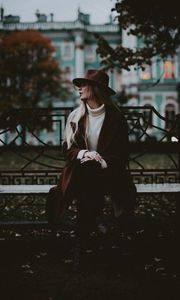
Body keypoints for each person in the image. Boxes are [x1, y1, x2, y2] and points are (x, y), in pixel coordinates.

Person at [49, 69, 136, 267]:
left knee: (90, 175)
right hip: (82, 172)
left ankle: (83, 239)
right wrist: (84, 154)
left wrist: (101, 161)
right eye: (79, 84)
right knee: (87, 168)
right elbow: (68, 150)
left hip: (110, 174)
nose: (79, 88)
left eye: (84, 84)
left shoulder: (116, 118)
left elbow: (122, 153)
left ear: (96, 89)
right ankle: (95, 225)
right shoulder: (75, 116)